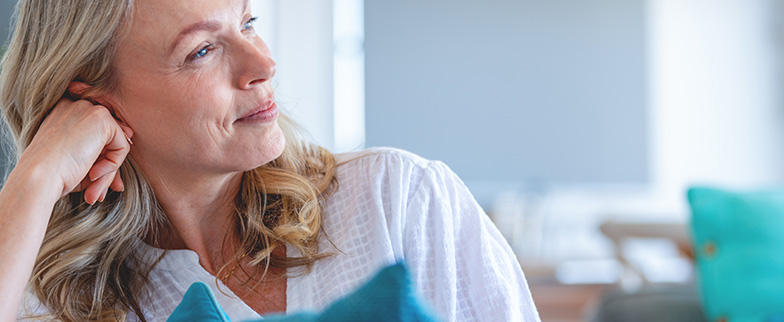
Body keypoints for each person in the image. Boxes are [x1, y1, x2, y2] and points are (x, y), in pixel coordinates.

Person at [0, 0, 541, 321]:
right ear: (95, 99)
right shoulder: (55, 298)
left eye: (248, 21)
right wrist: (35, 180)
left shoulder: (399, 200)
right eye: (202, 51)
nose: (263, 63)